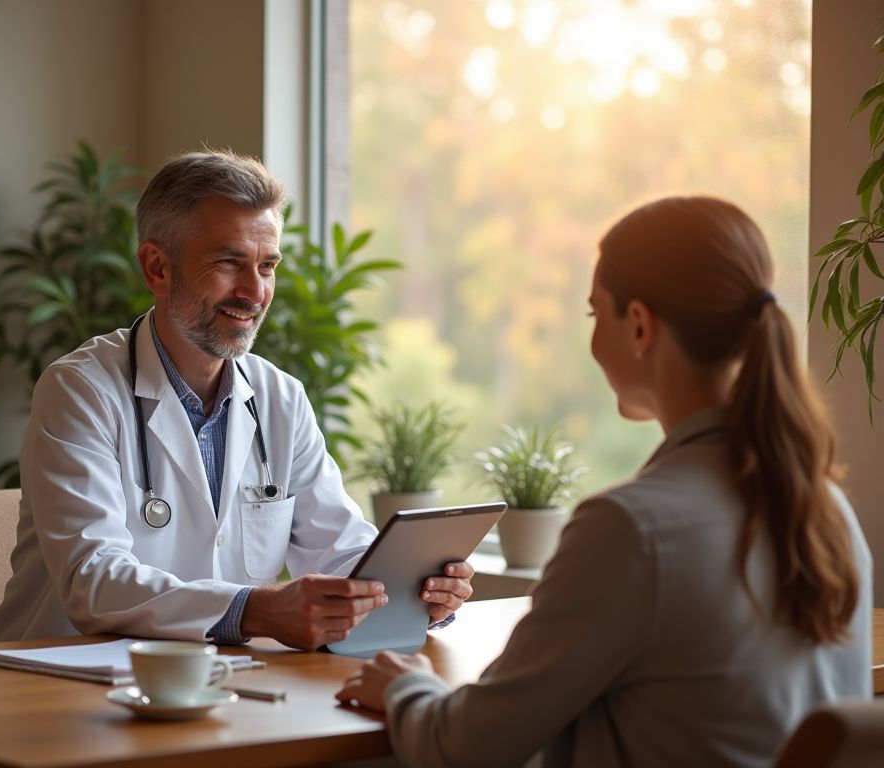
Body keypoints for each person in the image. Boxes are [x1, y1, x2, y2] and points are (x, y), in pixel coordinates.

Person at [335, 196, 872, 767]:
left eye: (596, 314)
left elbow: (466, 747)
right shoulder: (827, 511)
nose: (592, 341)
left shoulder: (631, 529)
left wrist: (405, 686)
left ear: (639, 324)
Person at [0, 149, 473, 650]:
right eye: (229, 262)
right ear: (157, 267)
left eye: (267, 265)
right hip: (63, 689)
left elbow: (341, 550)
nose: (255, 292)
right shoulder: (81, 390)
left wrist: (418, 590)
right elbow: (94, 582)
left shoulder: (280, 398)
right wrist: (254, 609)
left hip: (217, 686)